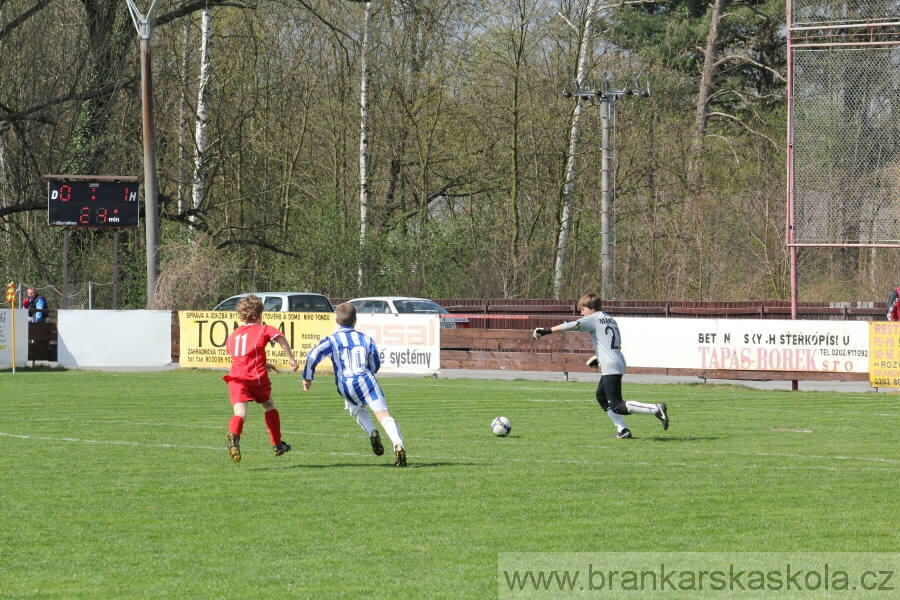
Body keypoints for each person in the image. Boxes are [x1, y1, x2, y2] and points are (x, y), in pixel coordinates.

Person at [532, 292, 669, 439]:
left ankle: (655, 409)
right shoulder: (609, 318)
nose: (581, 312)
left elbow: (571, 325)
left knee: (617, 405)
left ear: (591, 307)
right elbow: (608, 342)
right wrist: (599, 358)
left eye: (583, 309)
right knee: (601, 396)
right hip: (616, 359)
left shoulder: (593, 318)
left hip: (611, 364)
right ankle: (623, 430)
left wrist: (546, 331)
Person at [302, 302, 407, 467]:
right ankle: (398, 443)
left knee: (357, 409)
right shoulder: (366, 339)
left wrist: (308, 377)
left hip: (346, 384)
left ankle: (372, 431)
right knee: (383, 414)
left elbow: (313, 355)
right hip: (367, 379)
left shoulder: (332, 340)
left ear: (336, 320)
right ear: (355, 320)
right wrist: (370, 369)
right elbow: (375, 364)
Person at [223, 294, 298, 462]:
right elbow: (280, 338)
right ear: (260, 314)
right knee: (269, 404)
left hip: (236, 377)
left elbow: (241, 355)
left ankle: (234, 434)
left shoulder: (234, 334)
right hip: (255, 377)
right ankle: (277, 444)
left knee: (240, 413)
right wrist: (292, 359)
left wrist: (263, 363)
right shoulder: (263, 329)